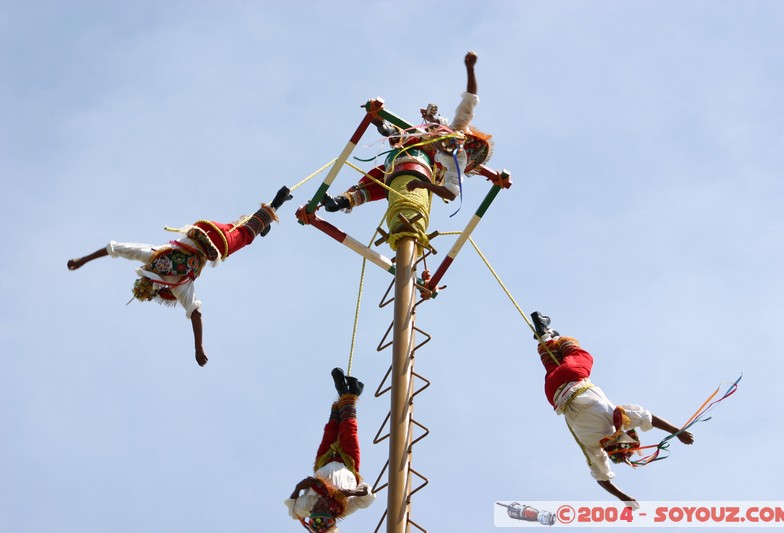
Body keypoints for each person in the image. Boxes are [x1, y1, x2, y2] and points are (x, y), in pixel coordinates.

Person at [66, 186, 293, 367]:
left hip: (215, 247)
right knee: (237, 226)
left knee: (244, 235)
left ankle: (275, 206)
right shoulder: (153, 256)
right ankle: (266, 219)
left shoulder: (176, 285)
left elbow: (195, 313)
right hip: (205, 229)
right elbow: (116, 248)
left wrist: (199, 348)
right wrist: (82, 260)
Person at [530, 312, 694, 508]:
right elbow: (601, 478)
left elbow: (648, 417)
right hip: (553, 394)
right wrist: (623, 497)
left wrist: (678, 432)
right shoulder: (593, 446)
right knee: (551, 365)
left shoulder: (616, 421)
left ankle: (555, 337)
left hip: (574, 379)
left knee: (581, 357)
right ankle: (546, 338)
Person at [320, 51, 491, 213]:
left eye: (445, 147)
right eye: (444, 140)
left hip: (425, 169)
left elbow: (452, 194)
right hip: (408, 149)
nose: (441, 144)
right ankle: (386, 129)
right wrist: (470, 68)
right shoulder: (457, 127)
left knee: (387, 179)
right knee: (402, 153)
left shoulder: (457, 162)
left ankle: (341, 202)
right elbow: (470, 98)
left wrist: (424, 185)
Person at [286, 368, 376, 532]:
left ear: (311, 513)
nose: (318, 505)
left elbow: (292, 510)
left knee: (331, 429)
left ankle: (347, 392)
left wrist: (298, 488)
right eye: (322, 509)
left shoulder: (305, 507)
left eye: (315, 510)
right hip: (349, 462)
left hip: (324, 460)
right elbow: (369, 494)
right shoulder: (346, 507)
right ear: (332, 512)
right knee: (349, 429)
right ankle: (350, 394)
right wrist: (350, 492)